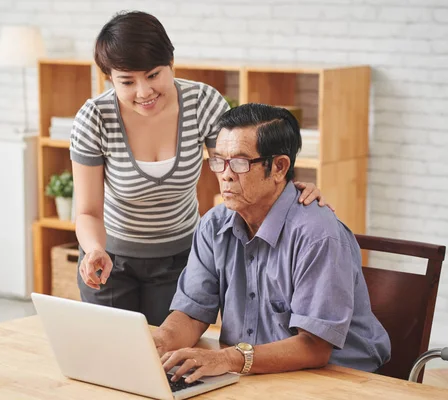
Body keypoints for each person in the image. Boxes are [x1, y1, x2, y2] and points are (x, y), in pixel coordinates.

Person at [69, 11, 328, 326]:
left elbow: (243, 164)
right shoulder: (94, 118)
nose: (143, 92)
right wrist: (95, 248)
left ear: (171, 64)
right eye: (127, 81)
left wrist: (289, 187)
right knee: (108, 355)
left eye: (153, 75)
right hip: (109, 261)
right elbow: (88, 212)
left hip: (180, 258)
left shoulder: (201, 102)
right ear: (108, 78)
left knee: (167, 356)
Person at [152, 103, 391, 383]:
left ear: (279, 167)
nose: (225, 174)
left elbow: (313, 348)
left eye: (240, 162)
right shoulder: (214, 225)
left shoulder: (317, 234)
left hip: (338, 378)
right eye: (219, 160)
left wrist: (228, 358)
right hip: (254, 372)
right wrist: (159, 344)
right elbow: (192, 313)